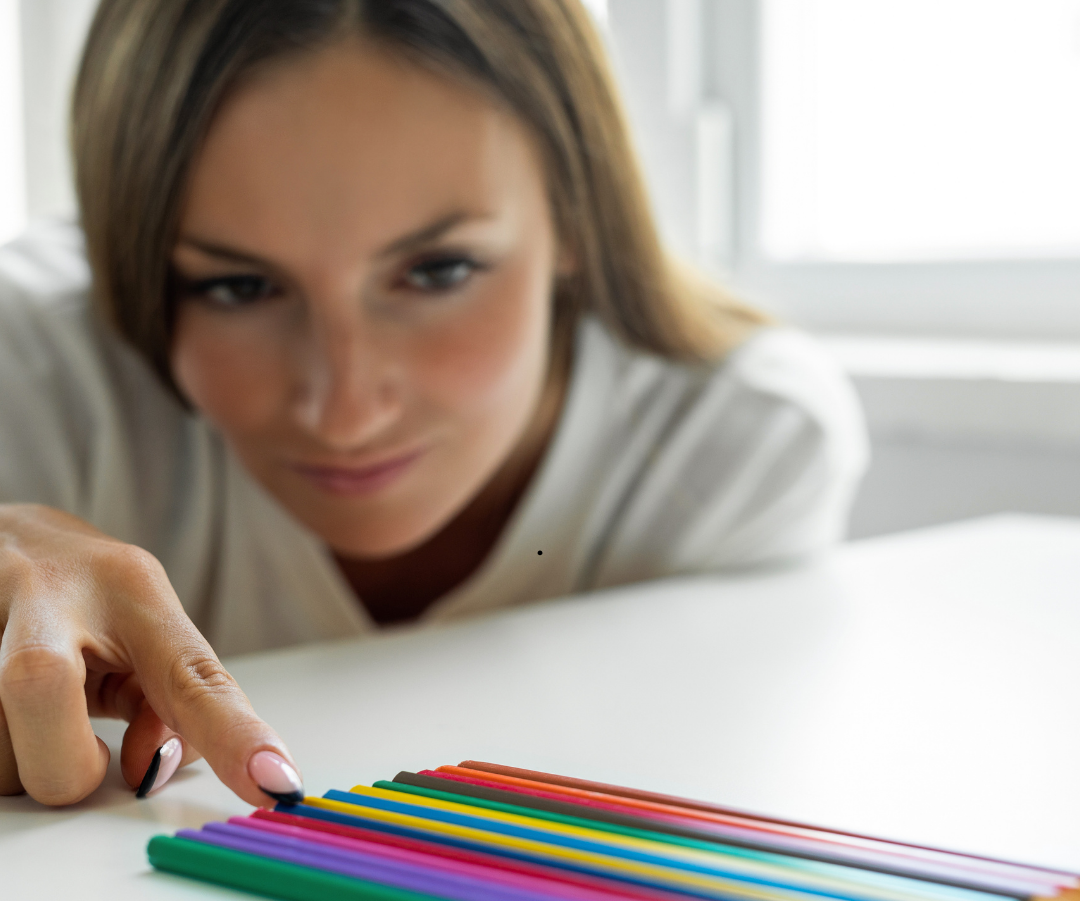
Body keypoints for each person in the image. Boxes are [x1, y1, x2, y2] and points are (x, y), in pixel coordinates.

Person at [0, 0, 867, 810]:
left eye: (439, 271)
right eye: (238, 286)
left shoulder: (737, 444)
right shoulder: (33, 372)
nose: (344, 411)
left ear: (577, 219)